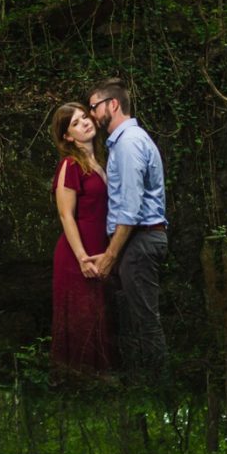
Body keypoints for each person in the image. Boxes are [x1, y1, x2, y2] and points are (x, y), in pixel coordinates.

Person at [82, 78, 168, 377]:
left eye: (94, 106)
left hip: (140, 242)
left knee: (145, 319)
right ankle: (143, 385)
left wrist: (110, 256)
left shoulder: (129, 144)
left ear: (113, 104)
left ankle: (158, 386)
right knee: (135, 318)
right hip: (138, 243)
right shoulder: (124, 142)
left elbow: (130, 211)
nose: (92, 114)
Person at [48, 101, 114, 374]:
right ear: (67, 136)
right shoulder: (70, 165)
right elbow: (66, 216)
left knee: (99, 315)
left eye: (84, 117)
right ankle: (77, 381)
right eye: (75, 123)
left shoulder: (98, 162)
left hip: (99, 250)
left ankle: (95, 381)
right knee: (81, 316)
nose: (85, 123)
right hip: (77, 255)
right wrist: (82, 258)